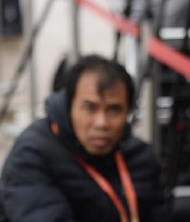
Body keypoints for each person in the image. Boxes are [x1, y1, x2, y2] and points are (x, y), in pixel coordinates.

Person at [0, 55, 165, 221]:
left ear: (128, 112)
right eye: (90, 108)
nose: (102, 123)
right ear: (69, 106)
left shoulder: (139, 157)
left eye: (114, 110)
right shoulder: (32, 155)